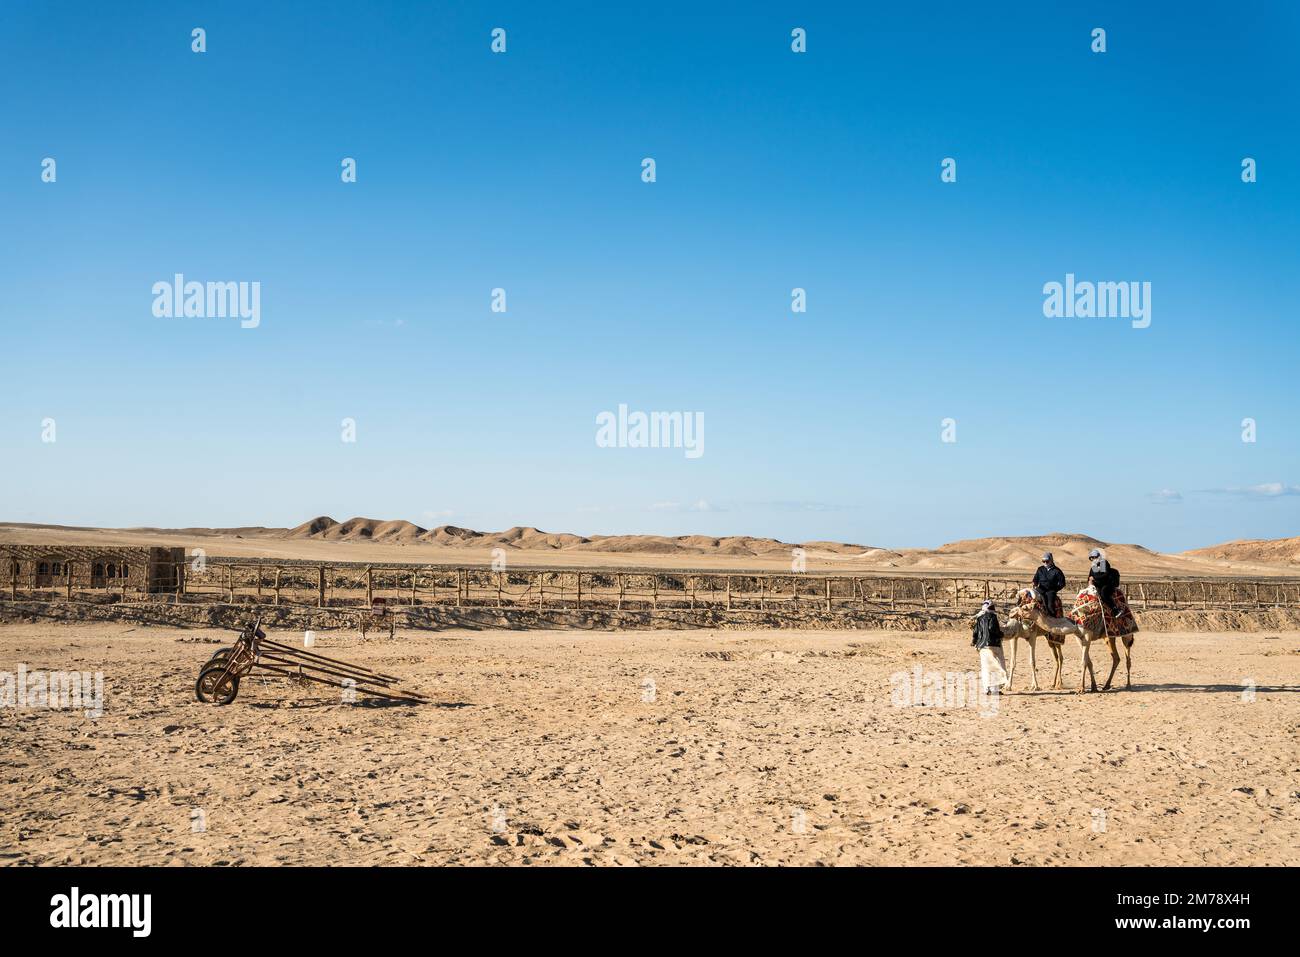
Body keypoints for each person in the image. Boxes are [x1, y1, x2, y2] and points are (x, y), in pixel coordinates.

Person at [971, 599, 1007, 694]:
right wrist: (1001, 634)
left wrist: (974, 642)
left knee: (986, 667)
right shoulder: (993, 616)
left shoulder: (979, 618)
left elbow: (975, 632)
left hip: (982, 646)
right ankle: (996, 689)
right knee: (997, 665)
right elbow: (992, 628)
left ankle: (987, 688)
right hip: (994, 644)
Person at [1032, 551, 1065, 617]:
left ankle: (1052, 618)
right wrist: (1035, 585)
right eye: (1043, 561)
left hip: (1050, 591)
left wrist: (1055, 589)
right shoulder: (1040, 569)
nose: (1045, 563)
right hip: (1040, 589)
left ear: (1051, 560)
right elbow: (1035, 579)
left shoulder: (1057, 571)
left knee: (1049, 605)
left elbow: (1062, 583)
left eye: (1047, 561)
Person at [1087, 548, 1120, 615]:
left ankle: (1115, 609)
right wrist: (1090, 582)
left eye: (1095, 557)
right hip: (1098, 585)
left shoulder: (1104, 563)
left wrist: (1095, 578)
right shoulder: (1093, 566)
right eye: (1092, 558)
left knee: (1103, 594)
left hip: (1107, 584)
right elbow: (1090, 576)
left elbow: (1105, 575)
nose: (1093, 559)